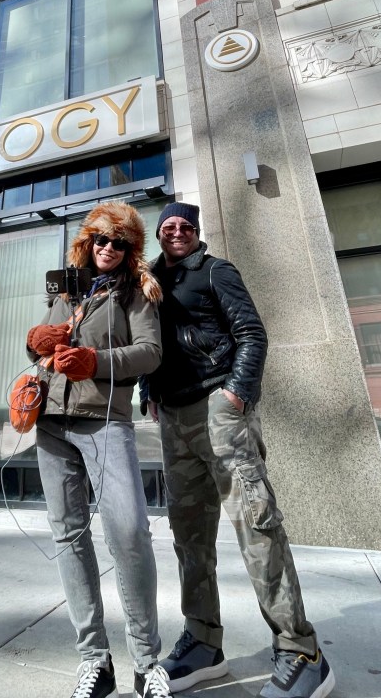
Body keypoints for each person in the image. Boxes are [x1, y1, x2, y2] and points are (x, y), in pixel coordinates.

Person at [143, 202, 335, 698]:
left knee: (256, 523)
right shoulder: (150, 282)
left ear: (196, 231)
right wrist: (149, 393)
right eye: (169, 226)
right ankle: (204, 643)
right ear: (159, 234)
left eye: (186, 225)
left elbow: (252, 333)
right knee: (189, 535)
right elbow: (151, 343)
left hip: (217, 406)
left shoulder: (215, 271)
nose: (179, 232)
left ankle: (302, 651)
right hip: (174, 417)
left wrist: (236, 394)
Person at [25, 201, 171, 698]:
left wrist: (96, 361)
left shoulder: (136, 293)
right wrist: (35, 342)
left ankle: (147, 661)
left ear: (131, 250)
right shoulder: (66, 287)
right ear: (89, 240)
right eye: (102, 240)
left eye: (120, 243)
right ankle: (95, 660)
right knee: (68, 536)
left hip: (105, 423)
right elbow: (47, 349)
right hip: (51, 423)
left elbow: (150, 352)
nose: (109, 249)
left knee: (129, 533)